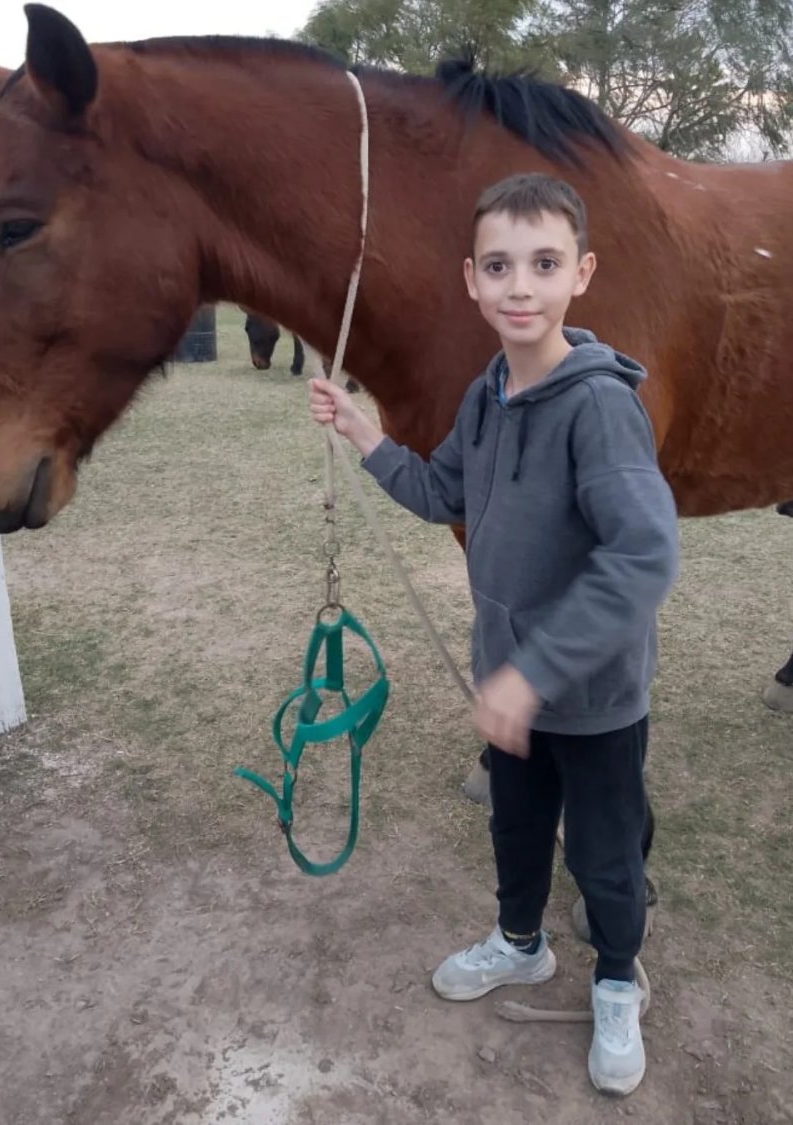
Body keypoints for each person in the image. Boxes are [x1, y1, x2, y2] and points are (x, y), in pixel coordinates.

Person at [308, 172, 679, 1097]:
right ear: (471, 281)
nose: (521, 286)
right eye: (500, 266)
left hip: (590, 699)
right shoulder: (488, 393)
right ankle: (521, 944)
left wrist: (535, 673)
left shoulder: (597, 405)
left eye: (544, 264)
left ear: (580, 274)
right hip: (508, 688)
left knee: (603, 851)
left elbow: (644, 555)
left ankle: (617, 978)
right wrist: (362, 432)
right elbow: (443, 493)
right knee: (516, 831)